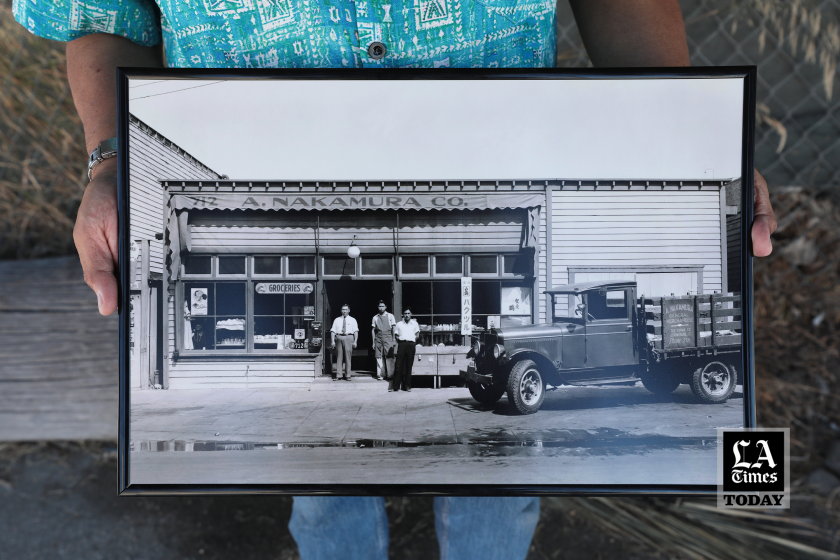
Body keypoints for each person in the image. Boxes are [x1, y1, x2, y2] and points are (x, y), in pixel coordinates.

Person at [13, 1, 777, 558]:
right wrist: (112, 157)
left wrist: (693, 136)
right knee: (318, 470)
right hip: (257, 169)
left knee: (509, 467)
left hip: (499, 158)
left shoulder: (501, 312)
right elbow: (103, 8)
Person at [393, 308, 420, 392]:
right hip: (402, 344)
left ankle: (407, 386)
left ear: (411, 314)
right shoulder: (399, 324)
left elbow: (417, 334)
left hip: (411, 344)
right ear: (403, 315)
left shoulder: (415, 324)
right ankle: (396, 386)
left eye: (408, 313)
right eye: (405, 313)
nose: (407, 315)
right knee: (398, 365)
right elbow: (396, 335)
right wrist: (401, 341)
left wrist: (412, 340)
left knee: (409, 366)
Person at [330, 304, 358, 381]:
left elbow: (355, 331)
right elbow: (333, 331)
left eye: (346, 309)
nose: (344, 311)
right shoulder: (337, 320)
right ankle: (339, 375)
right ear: (341, 310)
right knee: (339, 356)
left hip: (349, 337)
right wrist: (332, 341)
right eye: (343, 309)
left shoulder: (353, 320)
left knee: (347, 357)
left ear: (349, 310)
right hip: (339, 337)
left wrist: (355, 341)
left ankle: (348, 375)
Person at [371, 300, 396, 381]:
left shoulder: (390, 316)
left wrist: (394, 339)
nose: (381, 308)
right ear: (378, 307)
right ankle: (381, 374)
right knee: (379, 357)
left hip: (388, 338)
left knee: (389, 356)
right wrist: (373, 342)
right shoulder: (375, 317)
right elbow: (373, 330)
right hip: (378, 339)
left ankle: (390, 375)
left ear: (386, 307)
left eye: (383, 306)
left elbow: (393, 328)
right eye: (380, 306)